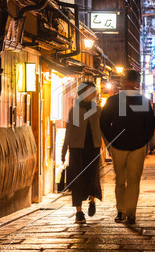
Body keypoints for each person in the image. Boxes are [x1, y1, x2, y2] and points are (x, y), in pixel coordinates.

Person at [100, 70, 155, 224]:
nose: (131, 84)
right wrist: (112, 141)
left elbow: (150, 125)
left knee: (132, 180)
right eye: (130, 81)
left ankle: (129, 212)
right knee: (122, 180)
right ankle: (122, 210)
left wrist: (143, 140)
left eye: (133, 81)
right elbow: (104, 122)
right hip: (122, 146)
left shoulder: (143, 102)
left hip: (134, 146)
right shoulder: (114, 101)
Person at [61, 82, 103, 224]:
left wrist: (109, 147)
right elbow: (69, 130)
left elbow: (102, 129)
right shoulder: (75, 110)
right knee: (77, 180)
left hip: (93, 148)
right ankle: (79, 212)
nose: (94, 94)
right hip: (77, 149)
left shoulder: (97, 110)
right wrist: (64, 150)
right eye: (92, 91)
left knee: (92, 176)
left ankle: (92, 199)